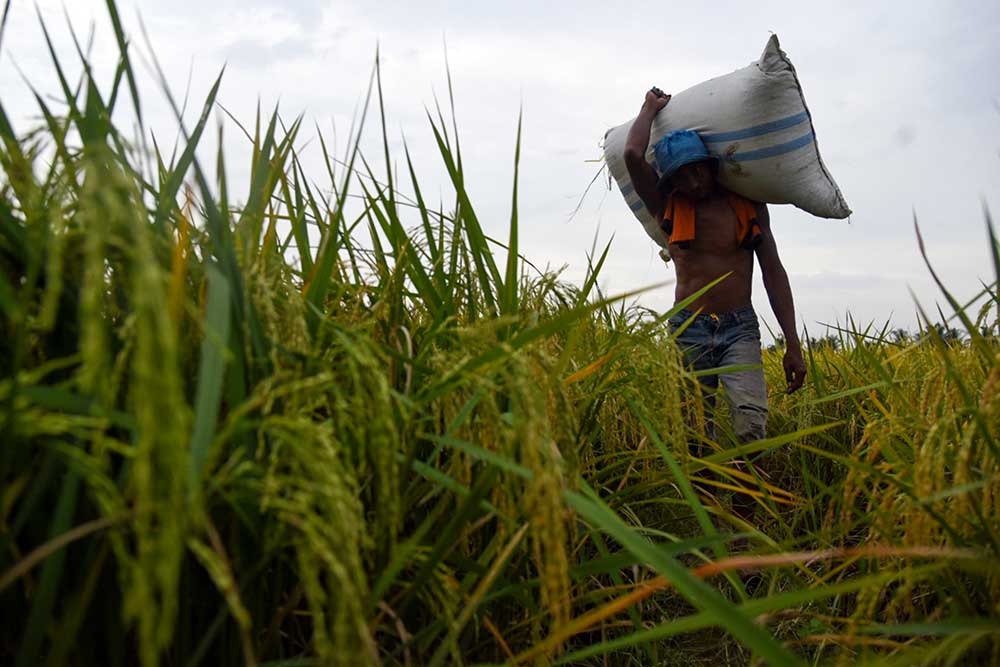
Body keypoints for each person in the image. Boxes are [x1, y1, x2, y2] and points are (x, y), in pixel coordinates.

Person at [624, 86, 807, 447]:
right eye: (682, 175)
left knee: (751, 425)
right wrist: (648, 109)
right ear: (671, 180)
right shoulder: (667, 208)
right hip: (687, 328)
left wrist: (793, 343)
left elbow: (773, 272)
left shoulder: (747, 208)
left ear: (711, 168)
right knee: (693, 434)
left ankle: (744, 504)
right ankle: (705, 502)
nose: (694, 181)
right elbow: (631, 153)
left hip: (738, 327)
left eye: (698, 171)